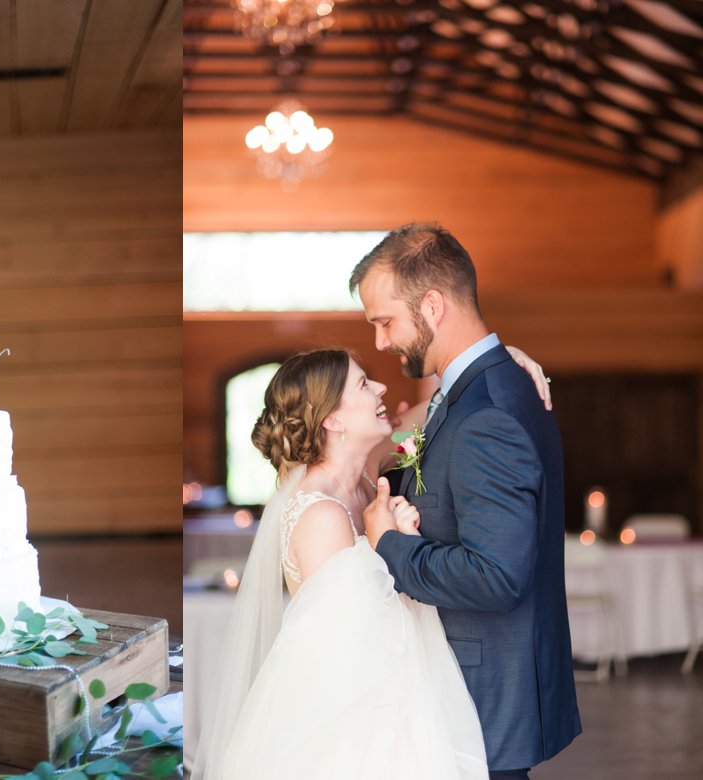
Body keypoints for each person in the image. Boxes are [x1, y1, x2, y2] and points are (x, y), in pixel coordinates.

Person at [193, 348, 490, 779]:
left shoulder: (368, 480)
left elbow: (430, 411)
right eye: (365, 385)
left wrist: (494, 361)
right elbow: (351, 650)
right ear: (334, 420)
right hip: (351, 731)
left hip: (397, 702)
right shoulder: (320, 515)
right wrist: (395, 541)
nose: (383, 388)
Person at [352, 223, 581, 779]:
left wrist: (389, 546)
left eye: (386, 322)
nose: (381, 342)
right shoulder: (484, 390)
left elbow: (495, 576)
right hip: (469, 693)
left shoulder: (488, 414)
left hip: (482, 697)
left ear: (432, 305)